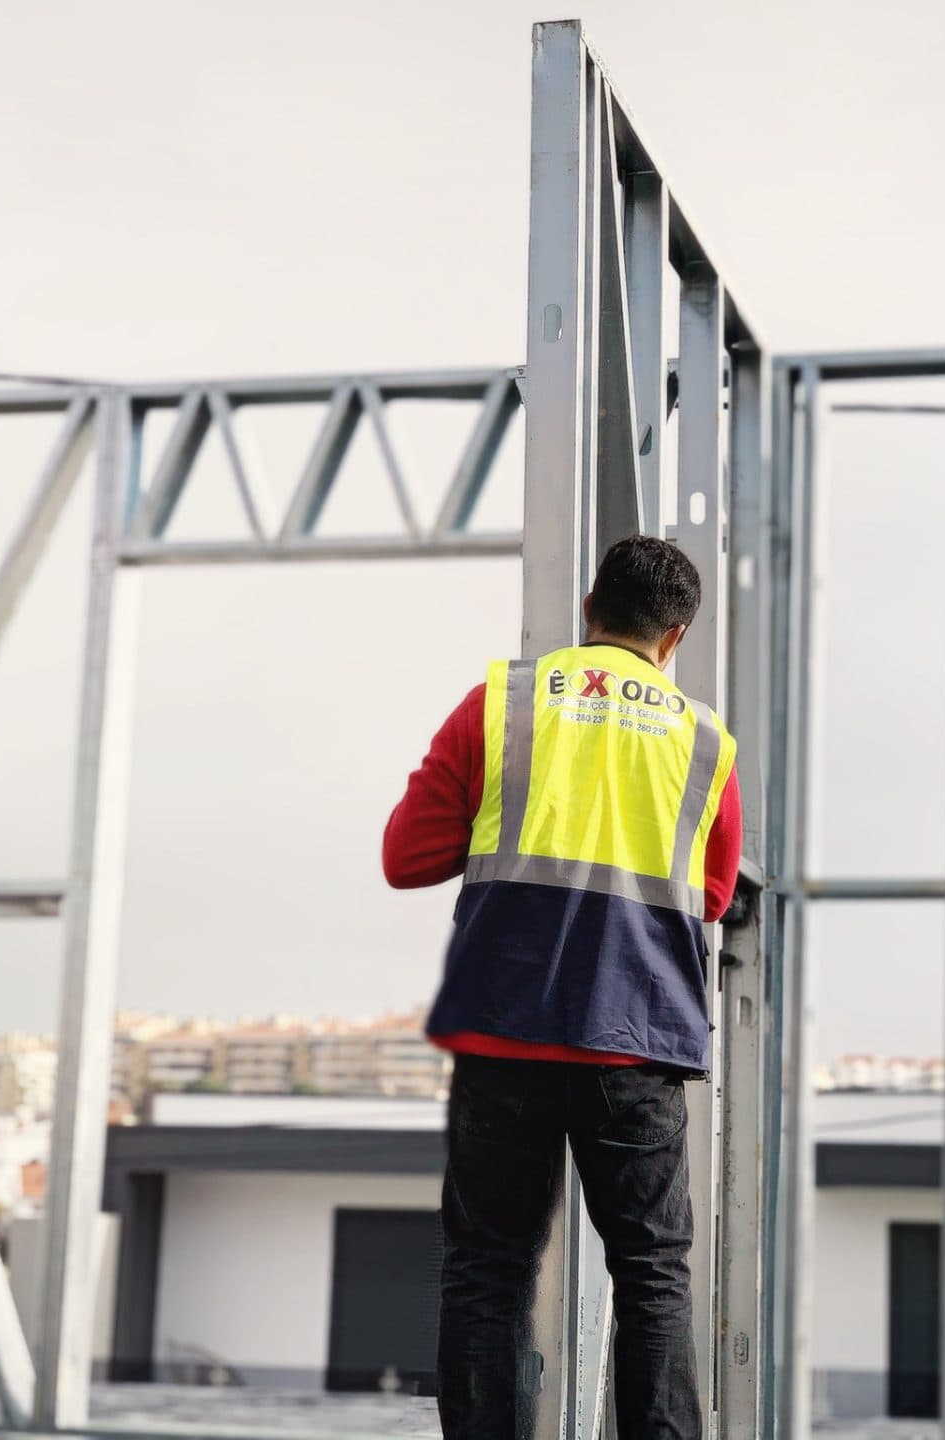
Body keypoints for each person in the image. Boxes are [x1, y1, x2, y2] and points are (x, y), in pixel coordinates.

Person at [383, 534, 742, 1440]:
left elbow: (407, 857)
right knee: (653, 1273)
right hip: (637, 1037)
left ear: (589, 611)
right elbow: (712, 894)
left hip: (505, 1033)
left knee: (489, 1271)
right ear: (677, 636)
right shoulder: (705, 742)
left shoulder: (500, 705)